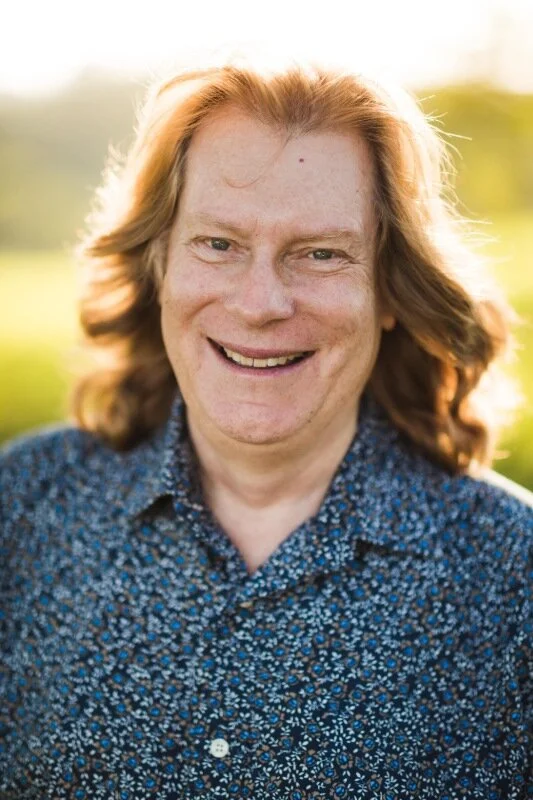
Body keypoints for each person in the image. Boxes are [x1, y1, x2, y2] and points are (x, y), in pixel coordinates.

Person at [1, 60, 531, 799]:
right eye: (218, 243)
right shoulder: (21, 510)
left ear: (389, 289)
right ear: (159, 263)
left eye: (320, 253)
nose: (260, 304)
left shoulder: (512, 577)